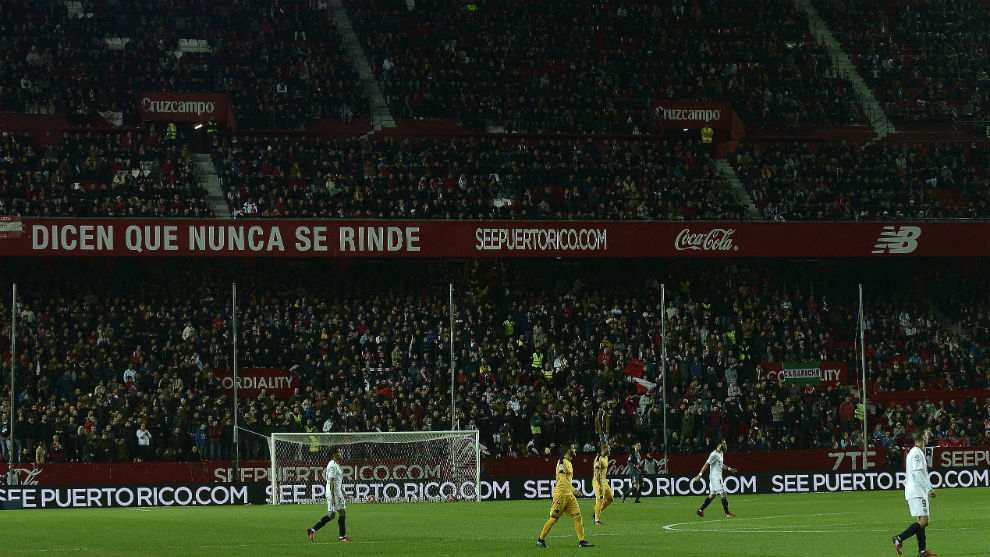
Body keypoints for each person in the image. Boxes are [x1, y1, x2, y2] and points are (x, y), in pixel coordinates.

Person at [892, 428, 937, 557]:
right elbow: (917, 473)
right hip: (917, 491)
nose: (928, 437)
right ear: (923, 437)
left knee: (920, 521)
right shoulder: (916, 453)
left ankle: (922, 551)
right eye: (926, 435)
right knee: (924, 521)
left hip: (915, 490)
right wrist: (929, 489)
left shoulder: (915, 451)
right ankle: (899, 538)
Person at [537, 444, 594, 548]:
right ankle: (540, 540)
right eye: (573, 448)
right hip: (561, 494)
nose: (575, 450)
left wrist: (571, 491)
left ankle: (581, 541)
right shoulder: (562, 462)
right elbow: (562, 479)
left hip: (569, 495)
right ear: (568, 450)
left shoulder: (568, 462)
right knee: (554, 518)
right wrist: (574, 490)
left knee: (577, 515)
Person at [307, 447, 353, 542]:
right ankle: (342, 537)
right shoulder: (332, 465)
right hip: (334, 493)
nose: (341, 454)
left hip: (335, 491)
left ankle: (312, 530)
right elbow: (331, 480)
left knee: (332, 515)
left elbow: (336, 481)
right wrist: (333, 496)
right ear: (334, 454)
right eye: (339, 452)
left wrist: (344, 493)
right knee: (342, 512)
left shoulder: (335, 464)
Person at [695, 439, 736, 518]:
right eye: (724, 444)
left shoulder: (721, 453)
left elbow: (720, 464)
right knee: (723, 493)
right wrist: (700, 475)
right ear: (719, 444)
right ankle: (727, 513)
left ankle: (700, 510)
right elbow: (706, 464)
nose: (725, 445)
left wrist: (730, 469)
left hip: (715, 477)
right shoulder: (713, 454)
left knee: (712, 495)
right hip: (716, 478)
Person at [593, 444, 613, 525]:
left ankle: (596, 512)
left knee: (610, 499)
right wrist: (600, 485)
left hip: (604, 481)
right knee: (600, 500)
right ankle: (596, 520)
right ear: (604, 449)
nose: (610, 449)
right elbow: (597, 473)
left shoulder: (606, 457)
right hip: (598, 482)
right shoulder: (598, 459)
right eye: (609, 448)